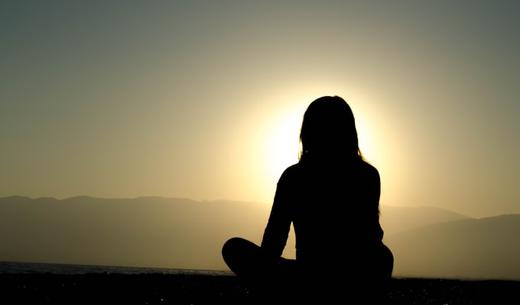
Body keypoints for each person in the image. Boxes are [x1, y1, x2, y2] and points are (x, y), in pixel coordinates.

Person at [222, 96, 393, 301]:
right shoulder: (367, 174)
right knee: (383, 256)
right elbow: (372, 235)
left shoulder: (294, 176)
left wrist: (264, 274)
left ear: (307, 132)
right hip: (347, 277)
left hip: (311, 277)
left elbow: (274, 240)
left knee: (233, 248)